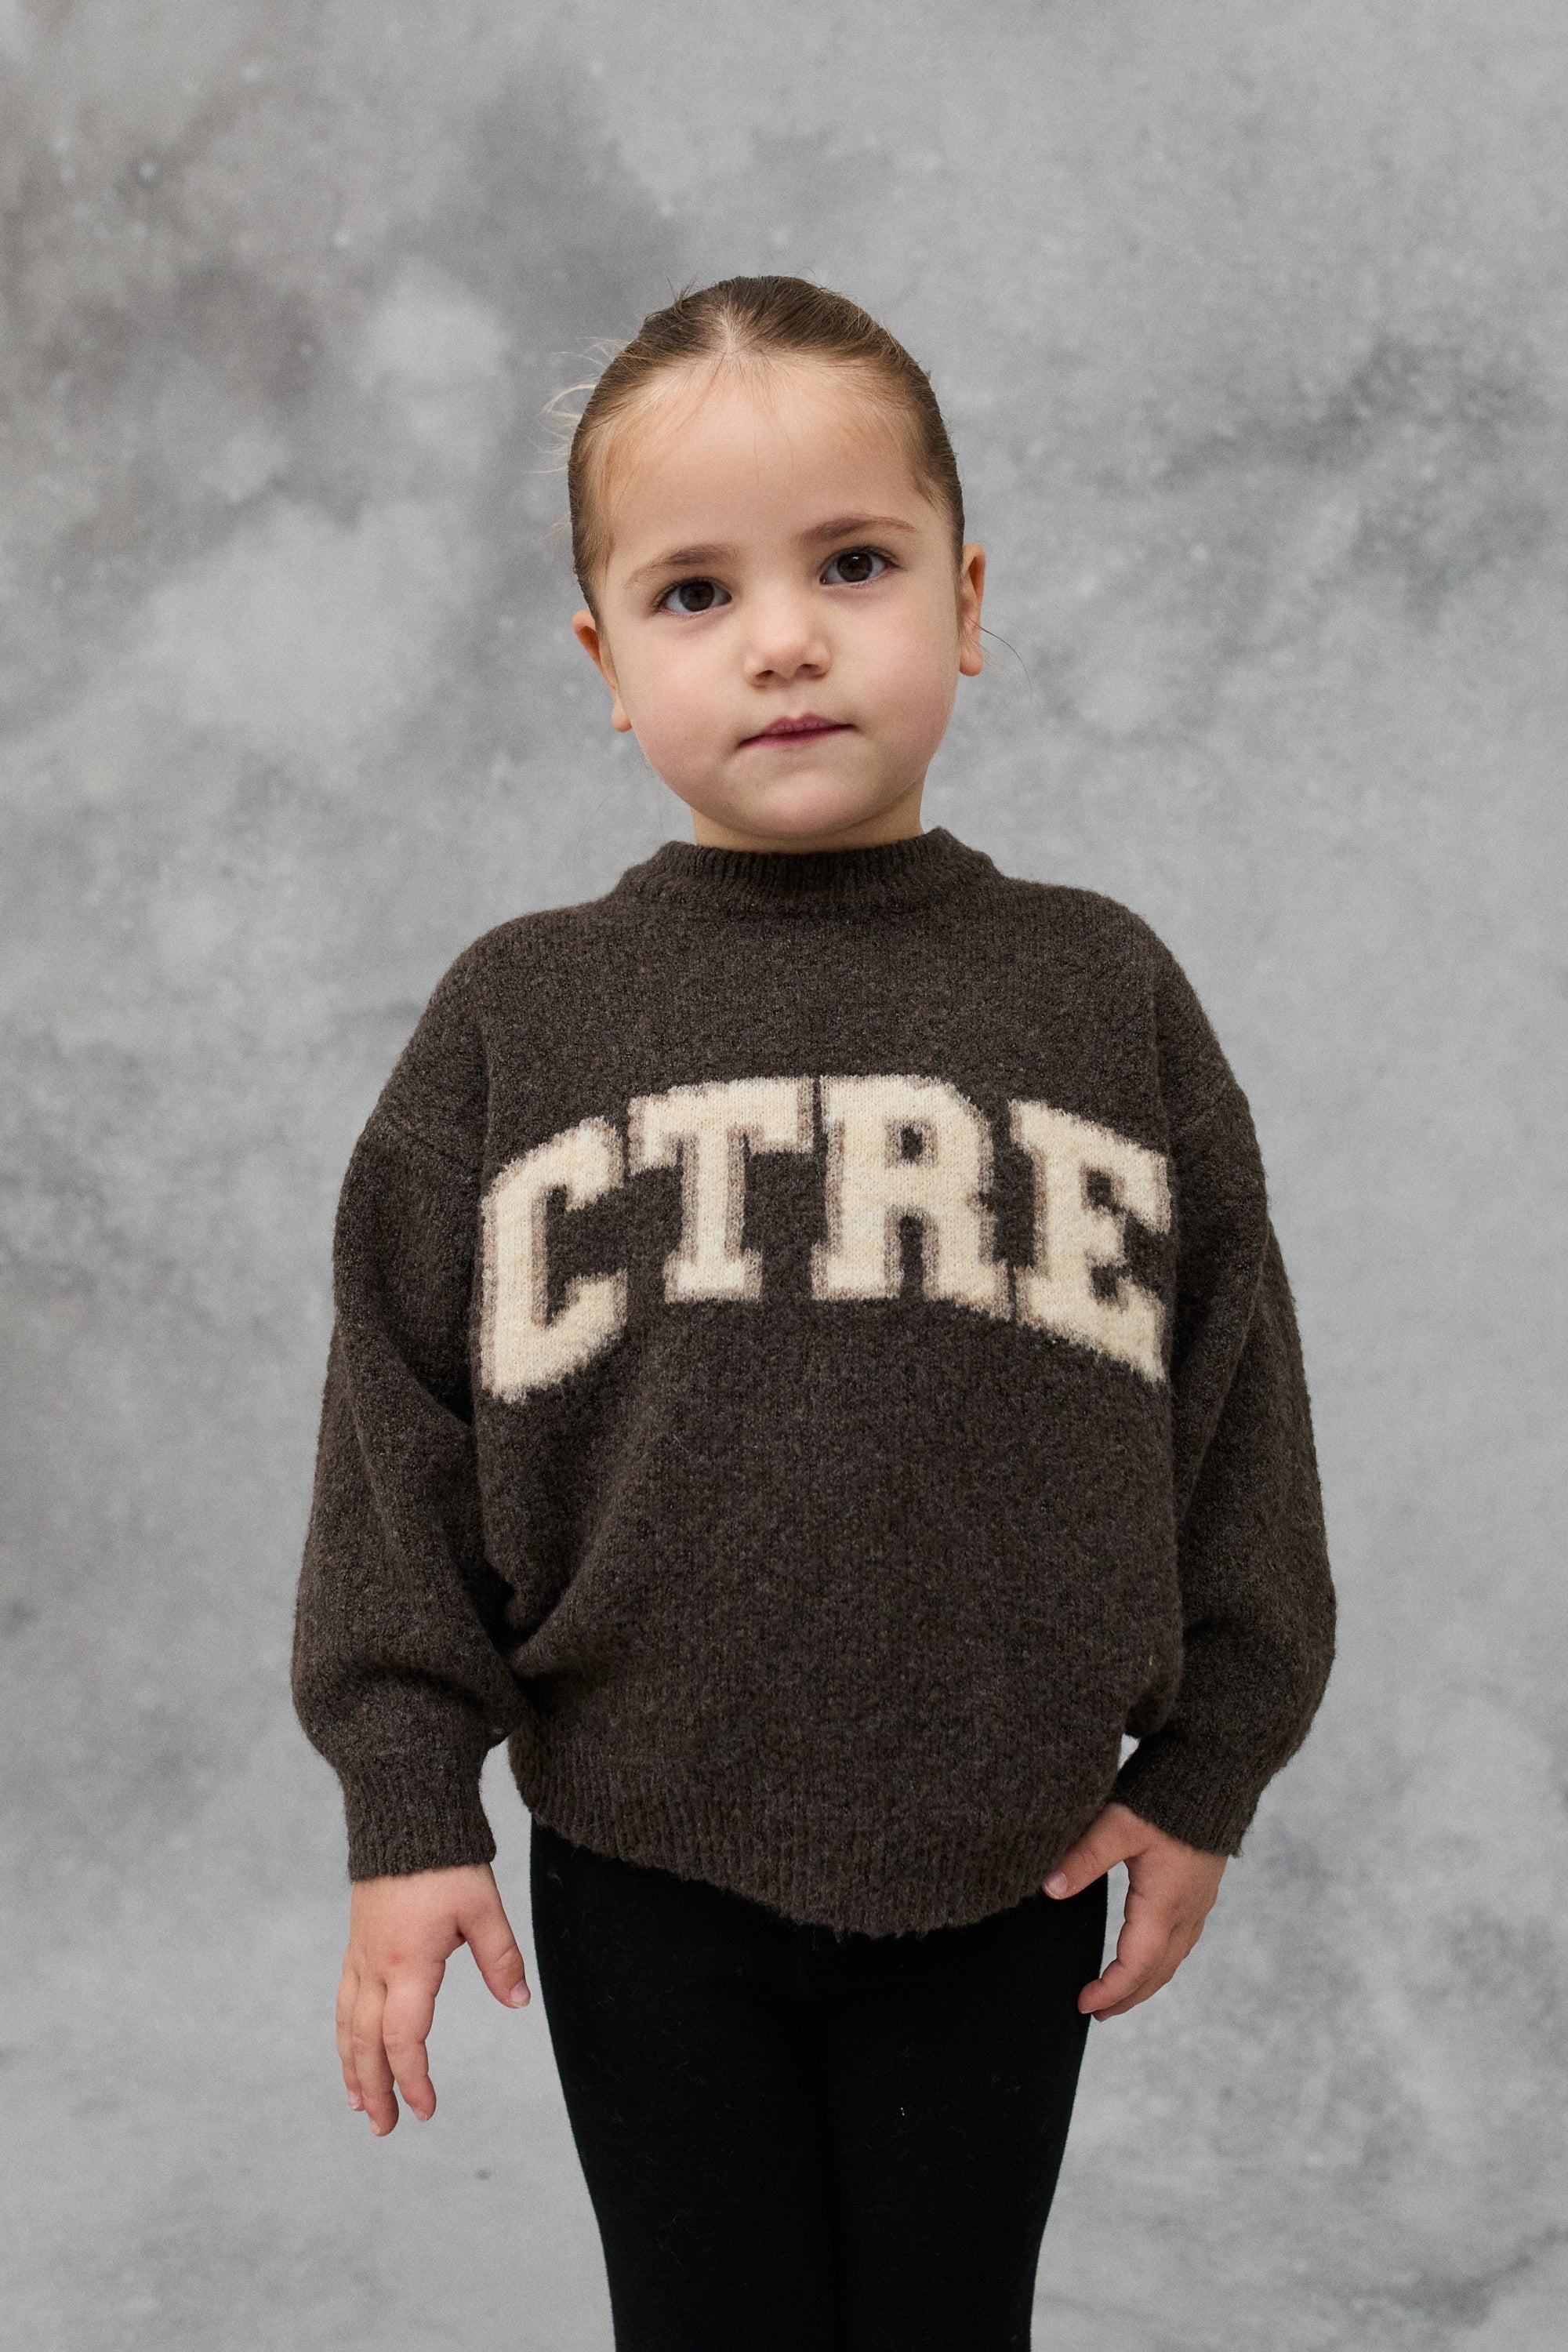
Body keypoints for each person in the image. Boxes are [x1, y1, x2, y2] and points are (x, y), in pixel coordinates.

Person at [292, 274, 1336, 2351]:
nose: (783, 639)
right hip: (642, 1864)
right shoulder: (520, 1019)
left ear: (967, 598)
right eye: (695, 593)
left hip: (1008, 1864)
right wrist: (409, 1802)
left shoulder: (1101, 993)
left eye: (853, 564)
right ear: (605, 661)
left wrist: (1212, 1758)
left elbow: (1232, 1401)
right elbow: (395, 1435)